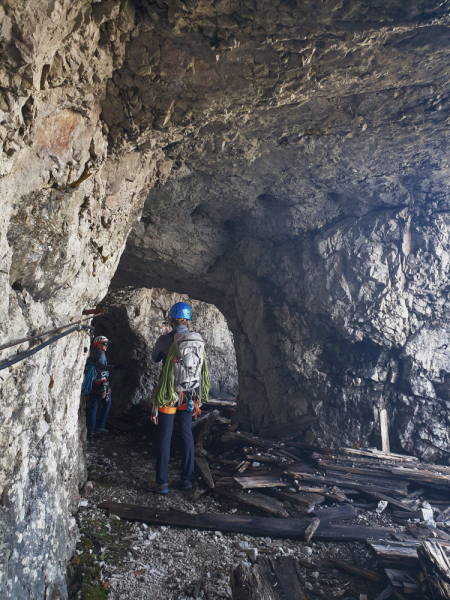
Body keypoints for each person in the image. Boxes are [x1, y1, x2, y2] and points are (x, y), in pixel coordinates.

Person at [147, 302, 210, 494]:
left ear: (171, 319)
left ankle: (162, 483)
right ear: (188, 319)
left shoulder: (167, 339)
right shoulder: (196, 339)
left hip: (169, 394)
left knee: (165, 436)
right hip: (188, 394)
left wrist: (162, 342)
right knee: (186, 434)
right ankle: (186, 480)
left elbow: (155, 358)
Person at [86, 336, 121, 442]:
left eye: (107, 344)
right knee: (107, 404)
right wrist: (112, 368)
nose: (106, 346)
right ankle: (100, 426)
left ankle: (90, 431)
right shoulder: (100, 354)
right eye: (104, 343)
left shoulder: (94, 353)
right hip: (102, 384)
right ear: (98, 344)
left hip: (93, 383)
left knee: (93, 406)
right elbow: (101, 366)